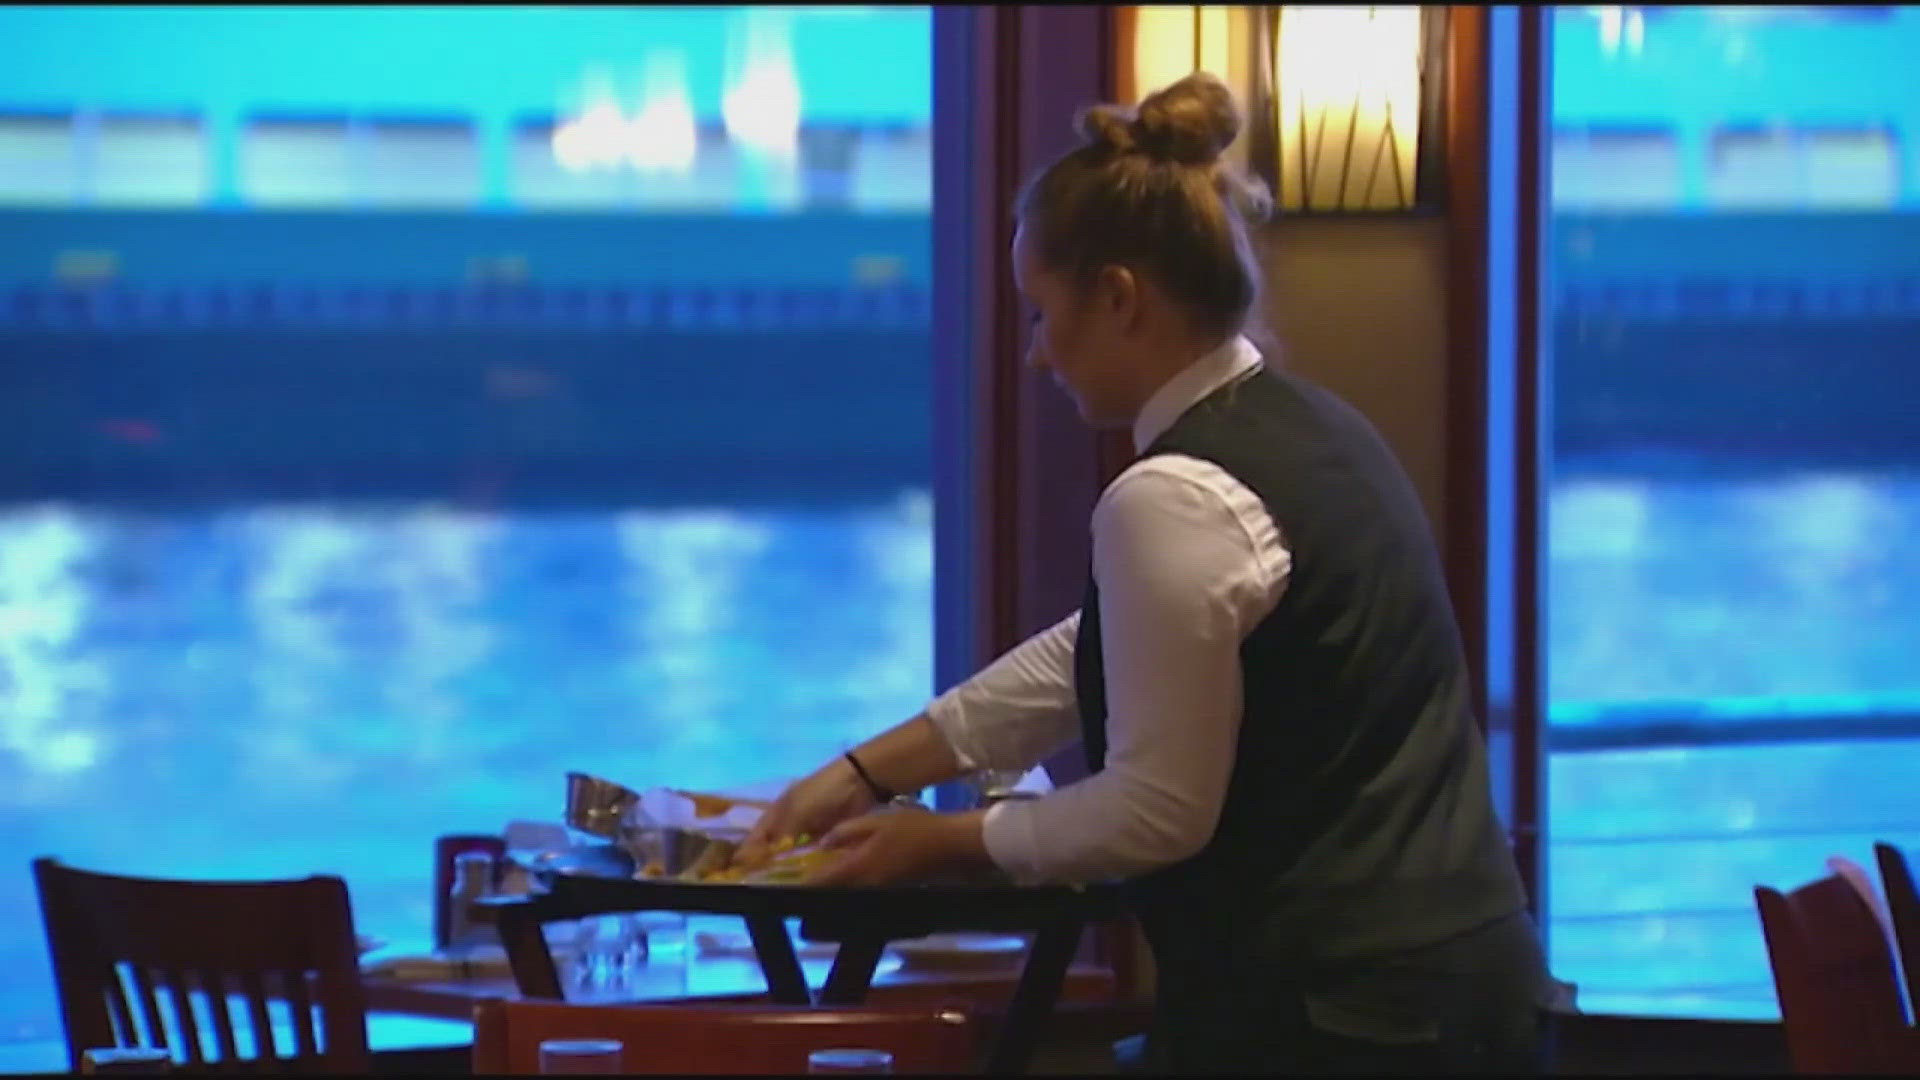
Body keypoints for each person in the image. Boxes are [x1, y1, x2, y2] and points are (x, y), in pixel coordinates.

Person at [734, 71, 1557, 1074]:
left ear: (1120, 298)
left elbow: (1157, 810)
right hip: (1471, 987)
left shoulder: (1174, 492)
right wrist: (869, 772)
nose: (1037, 355)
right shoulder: (1320, 426)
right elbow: (1108, 646)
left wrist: (946, 842)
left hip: (1341, 1020)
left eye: (1041, 313)